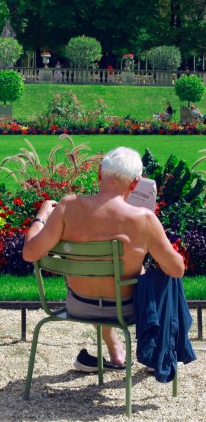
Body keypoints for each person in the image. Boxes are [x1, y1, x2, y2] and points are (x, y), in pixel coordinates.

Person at [22, 147, 185, 371]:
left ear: (99, 173)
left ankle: (116, 352)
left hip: (78, 305)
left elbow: (30, 253)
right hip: (124, 310)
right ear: (135, 183)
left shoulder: (67, 206)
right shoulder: (144, 219)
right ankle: (158, 352)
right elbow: (177, 269)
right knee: (161, 277)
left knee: (104, 273)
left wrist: (41, 216)